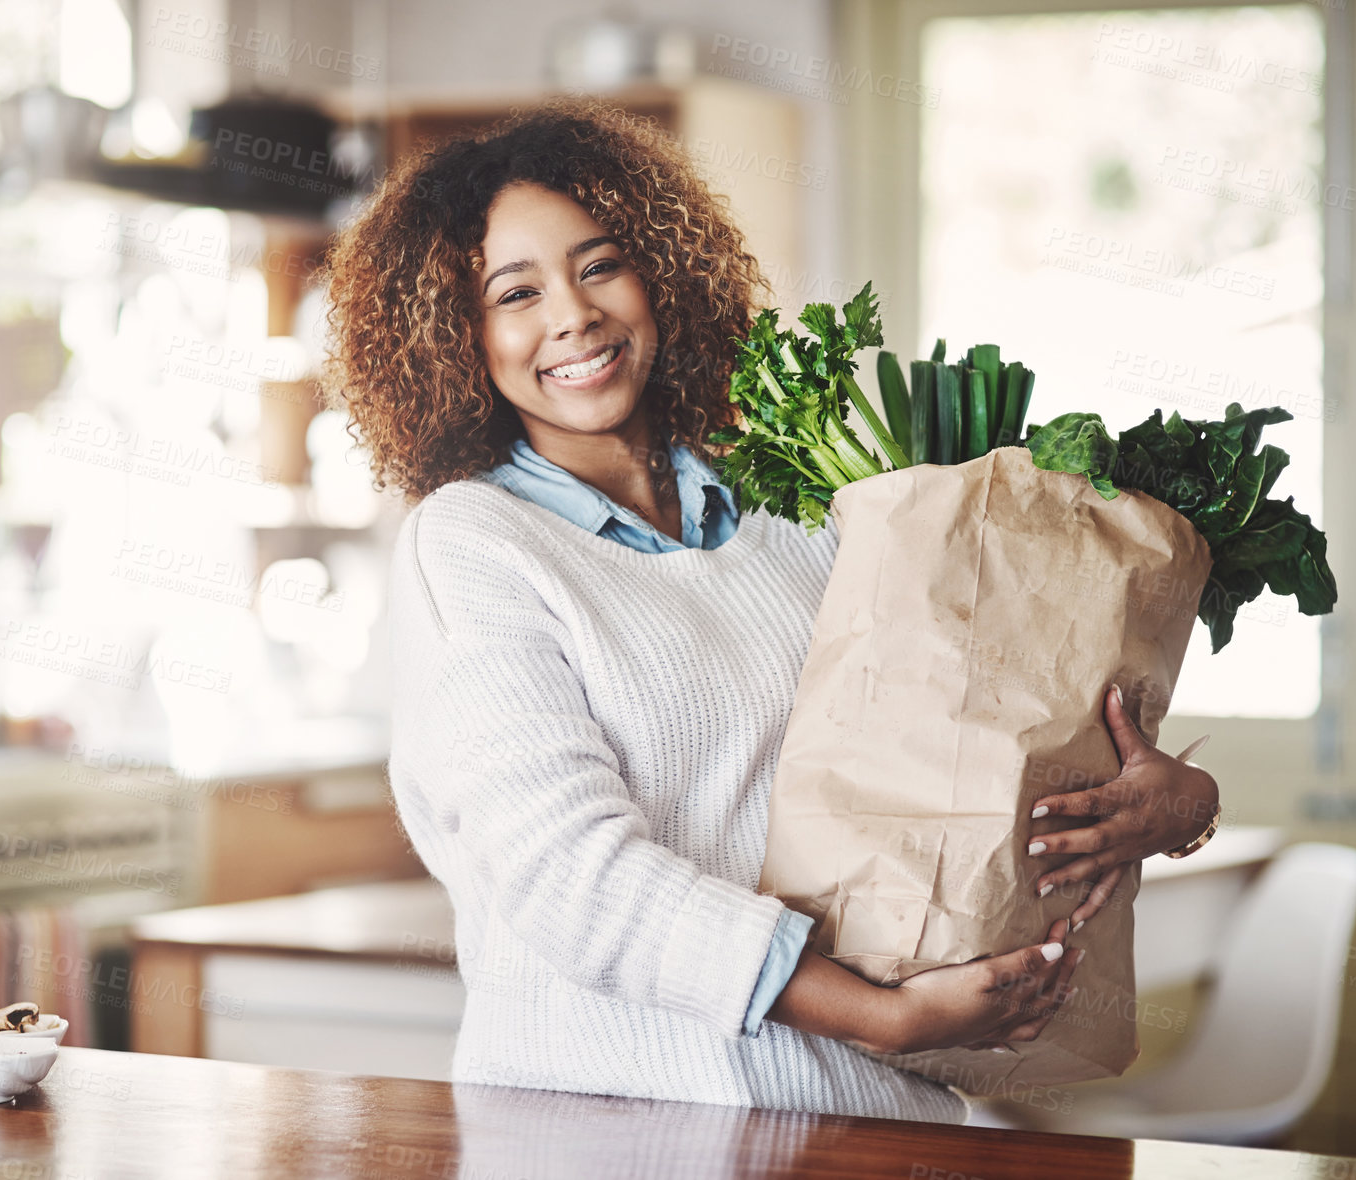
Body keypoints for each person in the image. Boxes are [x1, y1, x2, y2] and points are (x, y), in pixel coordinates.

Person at [318, 96, 1219, 1120]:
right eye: (513, 292)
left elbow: (967, 741)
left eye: (600, 263)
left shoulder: (803, 506)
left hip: (876, 1121)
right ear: (454, 338)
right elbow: (574, 879)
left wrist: (1176, 806)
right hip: (621, 1124)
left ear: (660, 272)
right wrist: (878, 1016)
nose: (572, 314)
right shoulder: (473, 545)